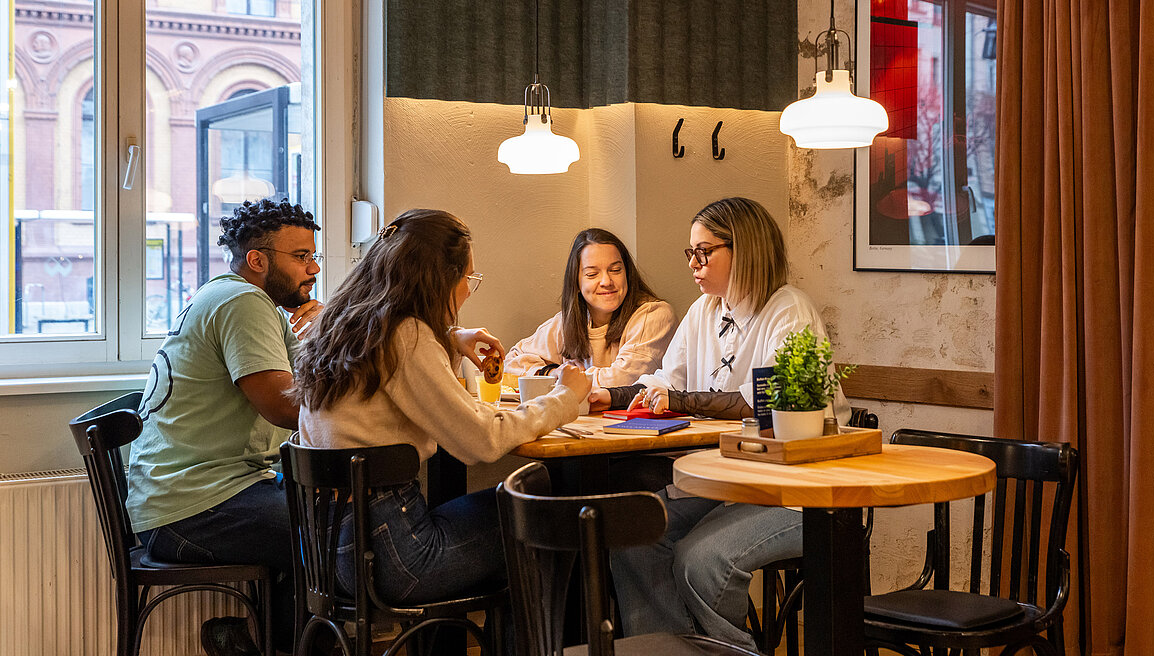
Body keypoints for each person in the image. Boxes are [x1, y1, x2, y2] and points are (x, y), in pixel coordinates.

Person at [292, 208, 591, 607]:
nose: (468, 289)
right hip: (396, 556)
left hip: (329, 552)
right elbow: (480, 442)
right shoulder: (406, 334)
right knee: (548, 510)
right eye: (468, 278)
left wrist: (450, 339)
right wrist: (564, 399)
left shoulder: (344, 324)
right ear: (440, 278)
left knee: (518, 509)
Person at [596, 196, 849, 651]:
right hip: (727, 481)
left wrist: (676, 398)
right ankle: (672, 650)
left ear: (744, 249)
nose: (693, 264)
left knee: (702, 560)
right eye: (690, 253)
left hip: (795, 490)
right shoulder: (704, 311)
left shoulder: (787, 310)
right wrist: (606, 396)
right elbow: (661, 381)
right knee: (632, 530)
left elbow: (763, 406)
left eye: (704, 252)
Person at [126, 198, 324, 656]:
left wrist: (326, 331)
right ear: (257, 260)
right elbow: (285, 407)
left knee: (324, 520)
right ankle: (260, 642)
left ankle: (250, 640)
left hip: (191, 496)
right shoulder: (243, 302)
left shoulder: (241, 300)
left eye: (313, 255)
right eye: (300, 256)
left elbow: (314, 380)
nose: (312, 268)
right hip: (191, 509)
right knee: (332, 530)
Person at [504, 227, 677, 392]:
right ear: (577, 282)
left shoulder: (654, 315)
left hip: (635, 421)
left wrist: (570, 378)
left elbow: (622, 381)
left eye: (615, 270)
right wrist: (553, 372)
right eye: (592, 274)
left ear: (627, 274)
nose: (606, 281)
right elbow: (510, 363)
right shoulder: (567, 322)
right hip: (580, 421)